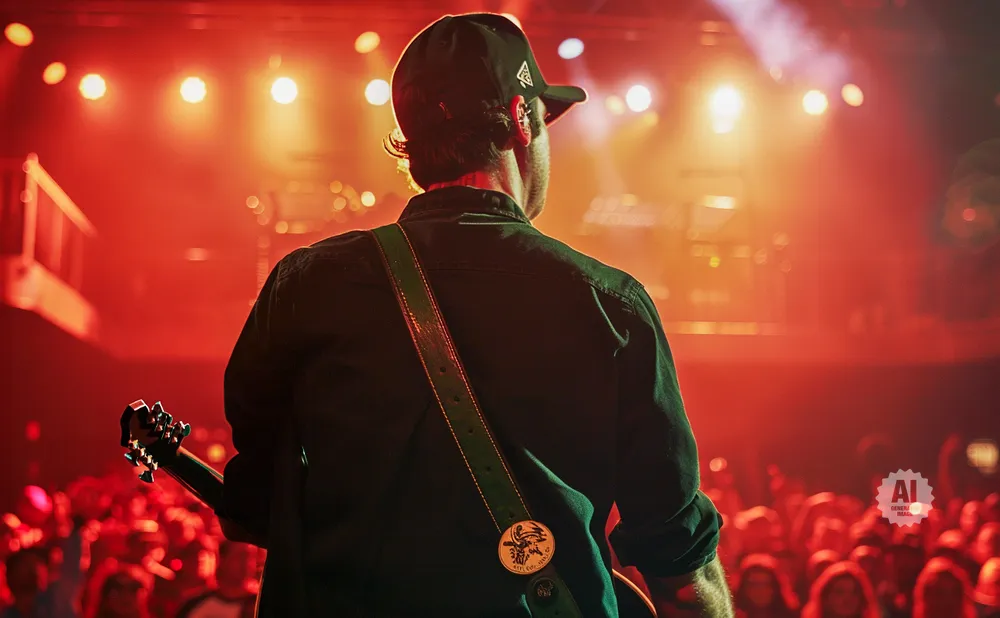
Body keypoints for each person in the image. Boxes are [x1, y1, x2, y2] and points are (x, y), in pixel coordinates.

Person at [219, 12, 730, 617]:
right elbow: (679, 570)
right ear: (520, 117)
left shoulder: (305, 286)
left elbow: (256, 507)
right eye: (543, 120)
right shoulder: (609, 304)